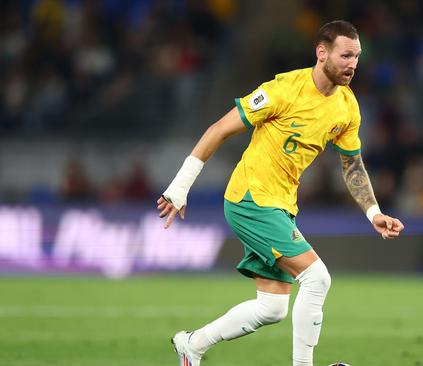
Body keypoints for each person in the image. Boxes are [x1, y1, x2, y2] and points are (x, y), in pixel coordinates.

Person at [157, 20, 405, 366]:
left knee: (272, 308)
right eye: (346, 55)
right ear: (322, 53)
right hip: (251, 198)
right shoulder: (283, 89)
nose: (353, 64)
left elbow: (352, 165)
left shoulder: (347, 107)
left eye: (357, 57)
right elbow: (218, 129)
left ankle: (192, 346)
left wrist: (373, 212)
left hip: (281, 204)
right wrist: (179, 188)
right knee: (317, 278)